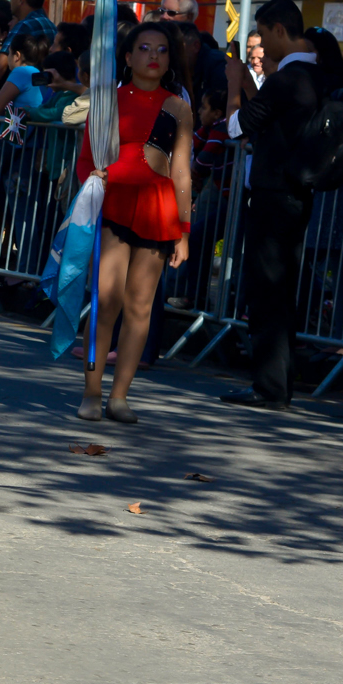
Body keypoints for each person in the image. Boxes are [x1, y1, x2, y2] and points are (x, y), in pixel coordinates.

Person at [76, 23, 193, 422]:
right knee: (106, 302)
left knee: (140, 307)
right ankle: (92, 390)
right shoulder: (108, 100)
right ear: (128, 57)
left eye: (161, 49)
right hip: (114, 209)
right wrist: (94, 186)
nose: (153, 56)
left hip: (159, 214)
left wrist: (184, 231)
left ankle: (120, 396)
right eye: (144, 48)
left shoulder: (177, 107)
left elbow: (181, 171)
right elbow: (87, 161)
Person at [220, 0, 323, 410]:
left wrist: (233, 85)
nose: (262, 44)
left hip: (273, 191)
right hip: (297, 191)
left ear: (280, 29)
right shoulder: (317, 73)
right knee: (281, 290)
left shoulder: (288, 78)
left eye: (263, 34)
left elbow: (234, 125)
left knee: (266, 290)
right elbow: (270, 115)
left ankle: (268, 386)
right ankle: (276, 384)